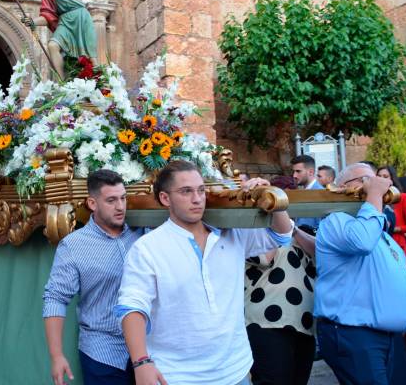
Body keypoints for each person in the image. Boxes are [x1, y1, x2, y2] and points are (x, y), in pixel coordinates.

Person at [116, 160, 294, 385]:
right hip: (176, 375)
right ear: (165, 198)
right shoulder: (148, 248)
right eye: (186, 191)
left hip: (235, 370)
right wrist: (141, 362)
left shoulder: (232, 234)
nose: (197, 199)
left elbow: (282, 235)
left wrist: (272, 196)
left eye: (201, 190)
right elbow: (132, 307)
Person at [314, 163, 406, 384]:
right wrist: (373, 194)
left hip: (389, 336)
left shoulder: (378, 230)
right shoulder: (335, 220)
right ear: (344, 187)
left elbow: (401, 276)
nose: (377, 185)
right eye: (366, 179)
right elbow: (362, 242)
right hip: (355, 335)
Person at [43, 170, 143, 385]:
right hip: (102, 353)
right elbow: (55, 299)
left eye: (123, 198)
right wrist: (56, 356)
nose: (120, 206)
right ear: (92, 203)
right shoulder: (73, 246)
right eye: (111, 200)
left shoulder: (142, 234)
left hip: (147, 350)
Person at [244, 227, 317, 385]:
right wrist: (280, 227)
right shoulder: (250, 231)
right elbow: (264, 258)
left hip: (304, 324)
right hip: (266, 323)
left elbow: (323, 253)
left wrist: (293, 230)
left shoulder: (300, 232)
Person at [24, 0, 105, 78]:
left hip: (82, 18)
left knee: (91, 57)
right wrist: (33, 21)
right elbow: (47, 15)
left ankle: (101, 85)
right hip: (65, 21)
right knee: (52, 45)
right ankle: (62, 82)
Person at [377, 165, 406, 273]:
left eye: (385, 176)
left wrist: (393, 228)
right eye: (379, 176)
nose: (381, 179)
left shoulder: (402, 197)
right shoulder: (374, 199)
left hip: (398, 244)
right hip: (380, 247)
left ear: (392, 179)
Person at [290, 155, 324, 234]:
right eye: (293, 171)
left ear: (311, 172)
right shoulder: (305, 191)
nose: (294, 175)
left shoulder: (319, 194)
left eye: (298, 171)